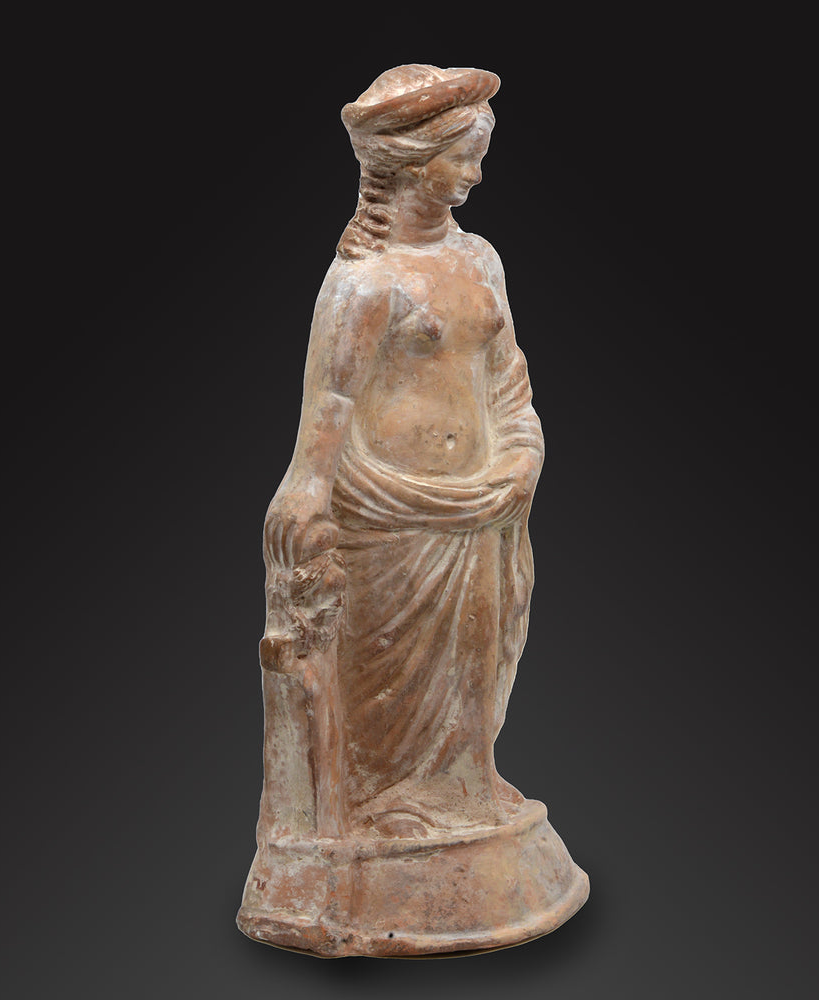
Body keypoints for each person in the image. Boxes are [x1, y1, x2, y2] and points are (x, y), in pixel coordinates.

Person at [262, 64, 543, 840]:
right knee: (388, 666)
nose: (476, 174)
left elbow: (507, 377)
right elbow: (332, 397)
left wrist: (521, 453)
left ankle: (467, 783)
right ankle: (378, 801)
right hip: (389, 507)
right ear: (415, 164)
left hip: (480, 500)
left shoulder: (481, 260)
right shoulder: (364, 280)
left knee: (478, 650)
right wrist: (308, 485)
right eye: (464, 157)